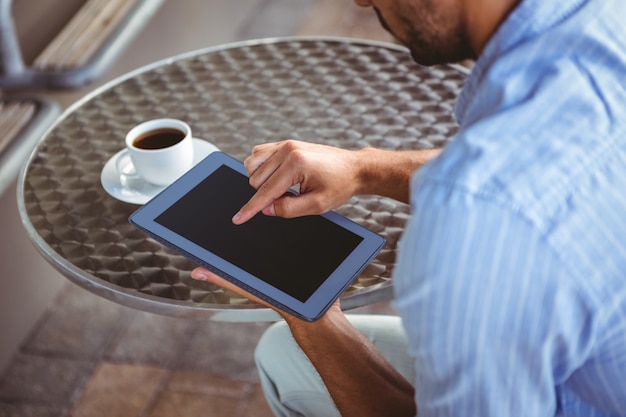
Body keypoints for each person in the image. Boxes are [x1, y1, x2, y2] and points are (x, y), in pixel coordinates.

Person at [191, 0, 626, 415]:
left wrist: (310, 317)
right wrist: (364, 169)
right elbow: (546, 162)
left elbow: (505, 193)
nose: (360, 3)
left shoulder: (478, 222)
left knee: (281, 356)